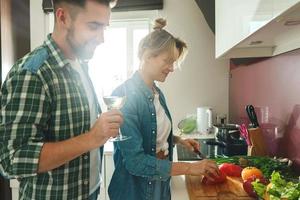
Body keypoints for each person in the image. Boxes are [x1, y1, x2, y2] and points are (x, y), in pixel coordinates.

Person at [0, 0, 122, 199]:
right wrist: (91, 139)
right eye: (93, 26)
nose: (101, 38)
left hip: (89, 192)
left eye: (104, 27)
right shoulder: (32, 73)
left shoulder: (81, 65)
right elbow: (11, 160)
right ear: (62, 17)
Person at [108, 18, 220, 200]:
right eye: (168, 61)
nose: (172, 68)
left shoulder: (157, 93)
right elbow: (136, 162)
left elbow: (152, 135)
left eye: (173, 62)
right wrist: (191, 168)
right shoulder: (125, 96)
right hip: (135, 193)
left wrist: (178, 140)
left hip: (159, 187)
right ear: (147, 55)